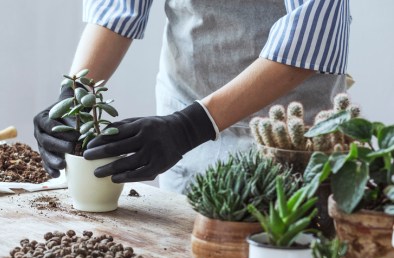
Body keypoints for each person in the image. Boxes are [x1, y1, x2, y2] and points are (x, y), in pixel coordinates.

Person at [34, 0, 349, 193]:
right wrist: (74, 92)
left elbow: (316, 28)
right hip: (184, 118)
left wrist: (189, 127)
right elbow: (118, 6)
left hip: (287, 133)